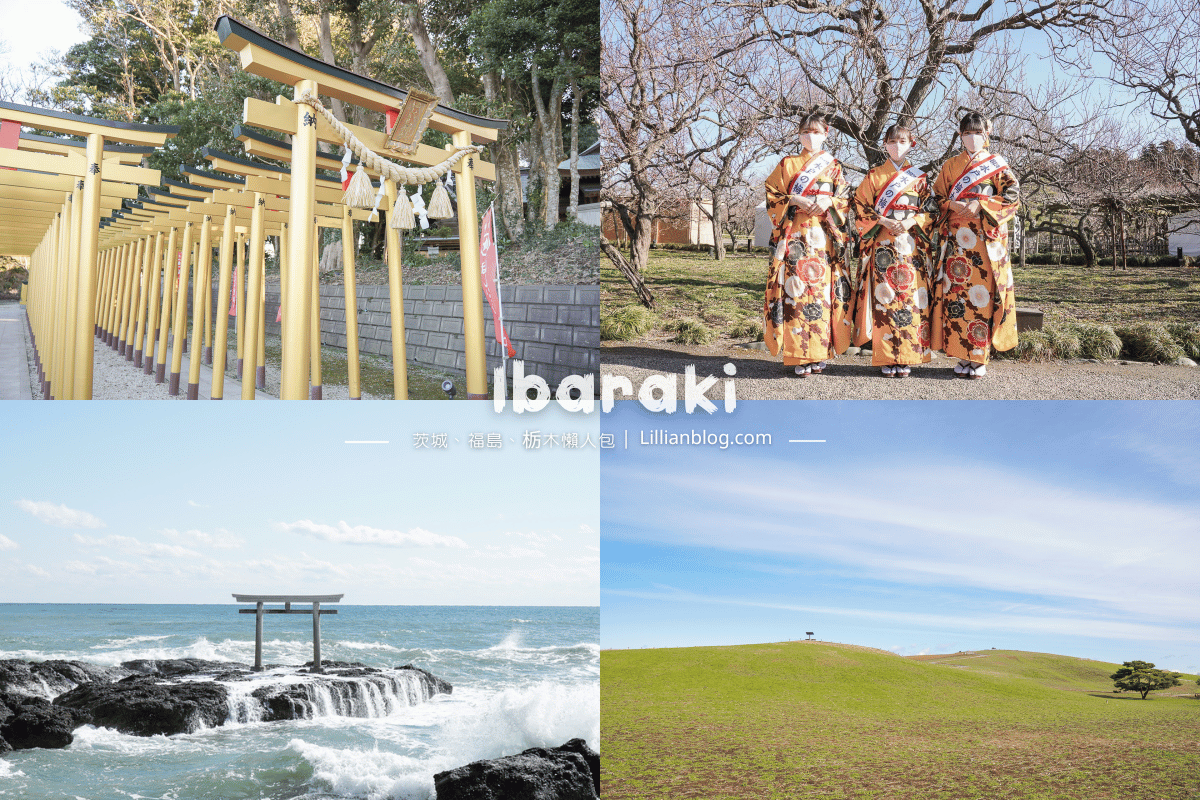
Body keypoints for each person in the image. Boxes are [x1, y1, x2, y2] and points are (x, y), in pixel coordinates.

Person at [763, 110, 852, 376]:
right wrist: (795, 200)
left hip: (823, 237)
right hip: (795, 238)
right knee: (796, 292)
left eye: (816, 132)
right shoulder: (787, 164)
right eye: (805, 132)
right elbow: (773, 194)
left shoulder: (834, 166)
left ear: (826, 134)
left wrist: (829, 202)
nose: (810, 136)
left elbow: (845, 199)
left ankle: (819, 353)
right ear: (799, 135)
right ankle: (797, 355)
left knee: (821, 295)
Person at [930, 112, 1020, 378]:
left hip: (983, 241)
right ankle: (960, 354)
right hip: (956, 242)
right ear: (960, 136)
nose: (972, 138)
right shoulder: (950, 165)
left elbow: (1012, 196)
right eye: (967, 133)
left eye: (977, 133)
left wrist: (981, 204)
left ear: (987, 135)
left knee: (981, 296)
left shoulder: (997, 165)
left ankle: (979, 356)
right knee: (956, 294)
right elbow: (936, 197)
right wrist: (951, 204)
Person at [851, 123, 933, 378]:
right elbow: (860, 206)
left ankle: (907, 356)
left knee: (909, 301)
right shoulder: (873, 175)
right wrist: (884, 221)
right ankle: (887, 356)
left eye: (902, 141)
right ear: (885, 144)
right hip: (883, 245)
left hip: (910, 246)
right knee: (884, 299)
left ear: (911, 144)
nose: (897, 145)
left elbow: (931, 209)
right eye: (892, 141)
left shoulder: (919, 177)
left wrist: (909, 221)